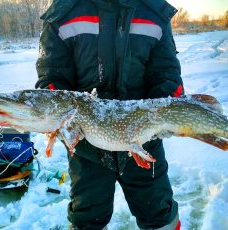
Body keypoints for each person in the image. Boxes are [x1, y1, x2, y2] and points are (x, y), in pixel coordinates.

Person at [35, 0, 183, 229]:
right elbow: (51, 78)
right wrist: (63, 119)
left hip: (144, 142)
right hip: (86, 146)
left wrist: (160, 116)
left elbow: (166, 74)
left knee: (160, 217)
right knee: (86, 221)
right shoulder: (63, 12)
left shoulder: (153, 11)